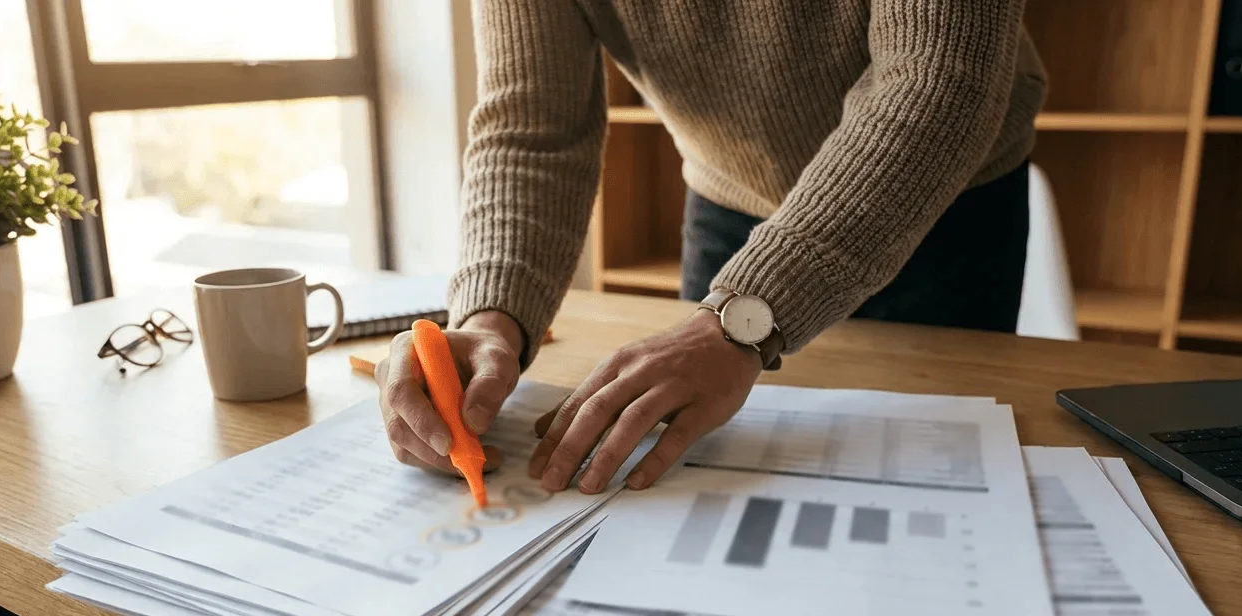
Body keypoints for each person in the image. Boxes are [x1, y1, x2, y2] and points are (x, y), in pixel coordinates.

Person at [377, 0, 1046, 495]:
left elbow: (937, 76)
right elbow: (532, 126)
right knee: (707, 480)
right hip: (731, 203)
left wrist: (743, 316)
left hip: (937, 199)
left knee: (930, 491)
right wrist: (489, 316)